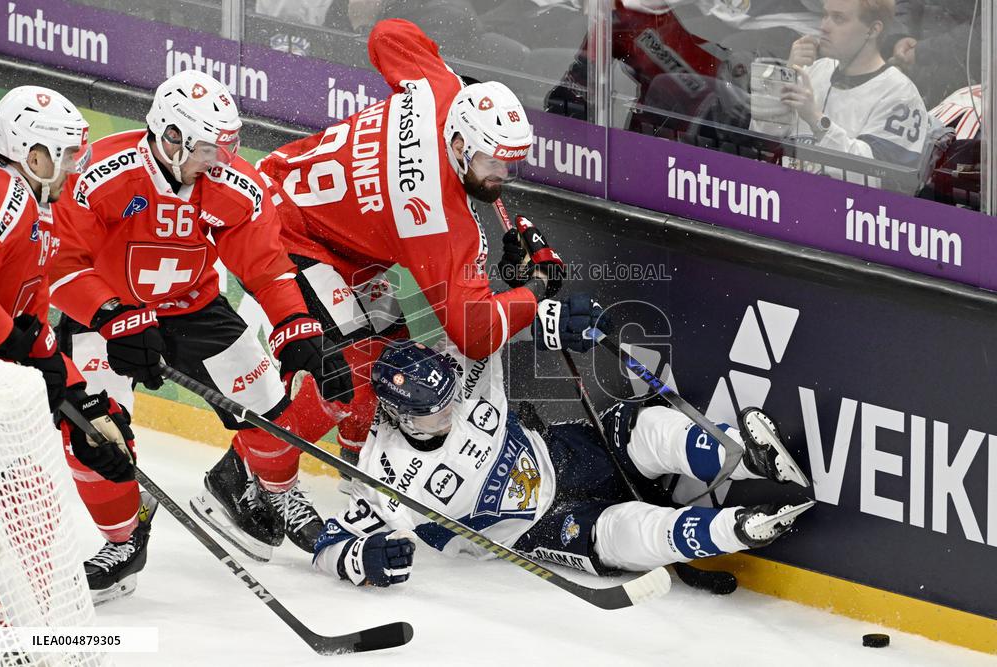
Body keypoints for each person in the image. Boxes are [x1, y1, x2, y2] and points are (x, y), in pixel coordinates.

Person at [48, 70, 355, 581]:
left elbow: (267, 267)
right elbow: (63, 267)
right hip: (106, 314)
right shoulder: (96, 174)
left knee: (268, 413)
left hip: (194, 307)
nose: (219, 162)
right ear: (169, 138)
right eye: (207, 149)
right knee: (93, 435)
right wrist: (113, 317)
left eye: (226, 148)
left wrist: (298, 326)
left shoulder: (234, 187)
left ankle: (274, 494)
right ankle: (126, 537)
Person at [257, 19, 598, 465]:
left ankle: (360, 461)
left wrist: (455, 85)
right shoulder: (437, 219)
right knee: (350, 372)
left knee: (391, 361)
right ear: (458, 144)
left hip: (324, 223)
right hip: (282, 229)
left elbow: (387, 33)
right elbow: (475, 334)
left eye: (509, 161)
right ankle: (250, 472)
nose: (502, 174)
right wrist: (536, 285)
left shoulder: (437, 87)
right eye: (491, 160)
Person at [311, 337, 813, 587]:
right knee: (624, 532)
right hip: (538, 529)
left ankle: (746, 457)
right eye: (433, 413)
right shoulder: (383, 476)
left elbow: (500, 310)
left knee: (650, 428)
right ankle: (734, 530)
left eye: (450, 402)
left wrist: (550, 304)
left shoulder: (463, 367)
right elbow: (329, 545)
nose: (449, 414)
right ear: (399, 416)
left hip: (562, 452)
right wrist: (362, 561)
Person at [0, 85, 160, 605]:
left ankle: (124, 532)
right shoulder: (5, 194)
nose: (73, 166)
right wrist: (18, 345)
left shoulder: (38, 212)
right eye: (65, 154)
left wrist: (73, 390)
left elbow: (32, 321)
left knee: (97, 420)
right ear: (33, 154)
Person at [750, 0, 928, 169]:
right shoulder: (813, 70)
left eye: (838, 18)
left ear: (873, 30)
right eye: (825, 15)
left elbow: (878, 177)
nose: (824, 27)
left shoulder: (901, 95)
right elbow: (761, 144)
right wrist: (786, 76)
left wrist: (816, 119)